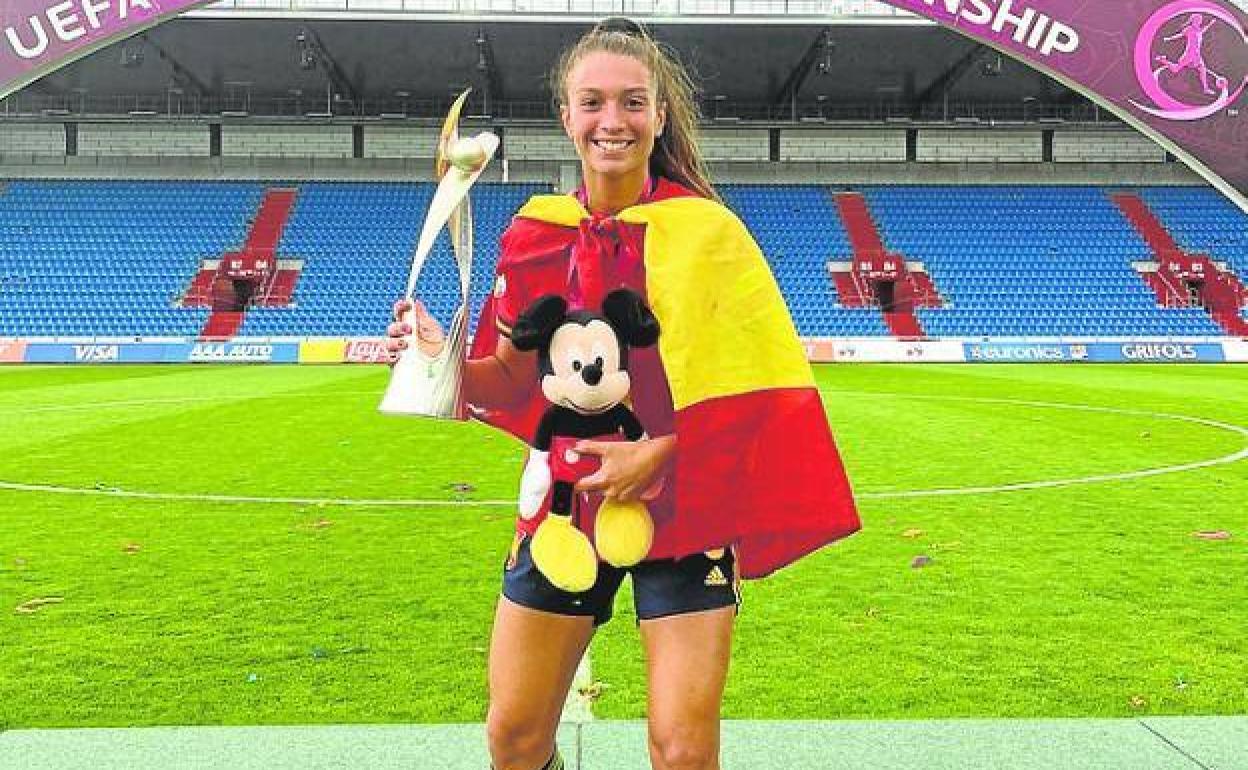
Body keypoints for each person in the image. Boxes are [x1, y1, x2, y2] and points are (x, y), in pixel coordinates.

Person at [387, 18, 860, 770]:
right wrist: (440, 357)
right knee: (513, 738)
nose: (614, 121)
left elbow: (753, 394)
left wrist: (662, 451)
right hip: (564, 510)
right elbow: (509, 379)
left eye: (634, 103)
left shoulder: (709, 236)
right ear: (567, 116)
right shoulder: (536, 234)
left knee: (681, 751)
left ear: (660, 116)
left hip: (687, 506)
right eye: (594, 103)